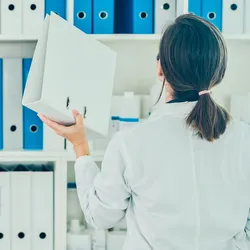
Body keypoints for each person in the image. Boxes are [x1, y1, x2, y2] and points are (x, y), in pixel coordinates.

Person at [38, 14, 250, 250]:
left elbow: (100, 216)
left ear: (160, 69)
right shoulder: (244, 139)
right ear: (218, 74)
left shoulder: (131, 143)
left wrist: (80, 145)